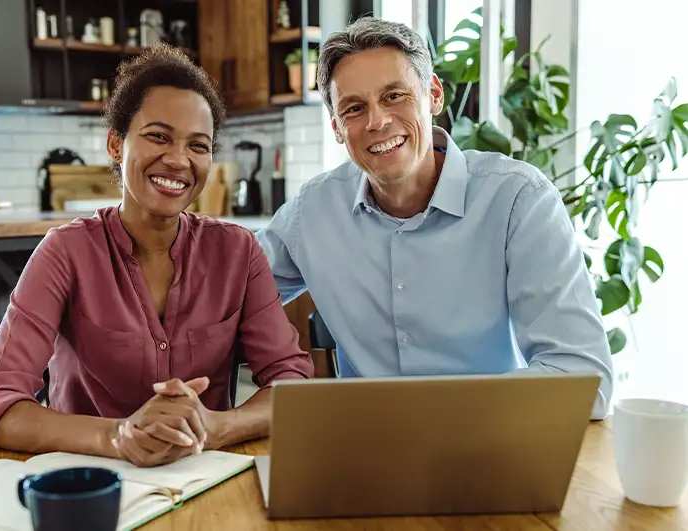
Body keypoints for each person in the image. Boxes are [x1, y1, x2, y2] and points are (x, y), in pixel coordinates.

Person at [0, 44, 313, 466]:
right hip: (89, 482)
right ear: (116, 144)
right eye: (158, 136)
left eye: (198, 146)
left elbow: (291, 382)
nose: (178, 159)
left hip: (201, 475)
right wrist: (117, 436)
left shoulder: (238, 252)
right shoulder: (65, 252)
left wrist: (217, 426)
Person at [258, 18, 612, 419]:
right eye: (354, 108)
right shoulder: (312, 212)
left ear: (434, 95)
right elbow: (225, 291)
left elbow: (584, 379)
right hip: (363, 452)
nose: (377, 121)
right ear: (338, 127)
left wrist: (438, 413)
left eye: (395, 96)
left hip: (492, 442)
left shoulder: (518, 200)